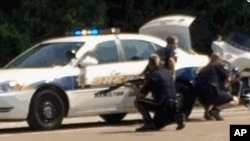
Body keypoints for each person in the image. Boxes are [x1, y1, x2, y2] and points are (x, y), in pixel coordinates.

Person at [133, 53, 185, 132]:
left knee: (138, 102)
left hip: (162, 105)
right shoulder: (167, 72)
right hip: (175, 104)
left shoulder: (152, 76)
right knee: (159, 123)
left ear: (149, 64)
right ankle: (176, 118)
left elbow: (141, 95)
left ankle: (149, 123)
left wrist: (133, 87)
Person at [195, 52, 240, 121]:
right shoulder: (217, 65)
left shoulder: (203, 69)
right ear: (219, 59)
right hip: (214, 92)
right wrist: (234, 77)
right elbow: (228, 80)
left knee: (208, 94)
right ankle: (215, 110)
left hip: (200, 96)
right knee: (235, 100)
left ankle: (207, 113)